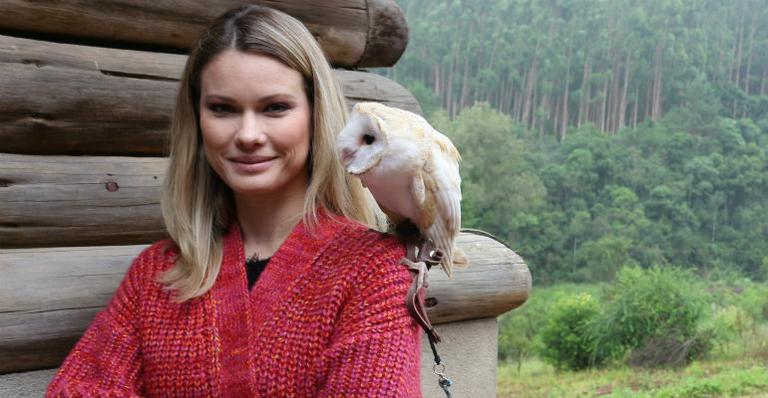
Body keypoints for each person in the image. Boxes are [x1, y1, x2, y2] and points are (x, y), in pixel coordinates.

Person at [46, 5, 421, 397]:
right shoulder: (155, 276)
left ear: (315, 115)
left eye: (275, 107)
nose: (248, 134)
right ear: (198, 121)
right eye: (223, 109)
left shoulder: (373, 270)